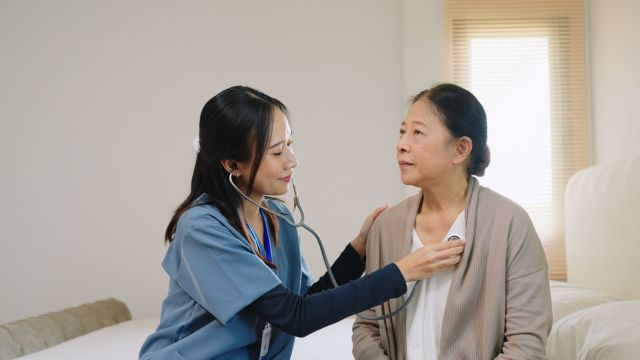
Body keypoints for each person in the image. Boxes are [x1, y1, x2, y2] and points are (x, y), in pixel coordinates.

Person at [139, 85, 466, 359]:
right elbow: (296, 317)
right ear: (232, 164)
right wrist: (404, 271)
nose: (292, 161)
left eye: (291, 145)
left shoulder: (277, 218)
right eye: (277, 152)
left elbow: (305, 300)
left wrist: (358, 249)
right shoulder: (202, 230)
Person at [352, 83, 553, 360]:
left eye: (418, 133)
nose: (402, 145)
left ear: (460, 149)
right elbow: (366, 327)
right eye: (402, 132)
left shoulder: (510, 224)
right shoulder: (386, 226)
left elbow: (526, 344)